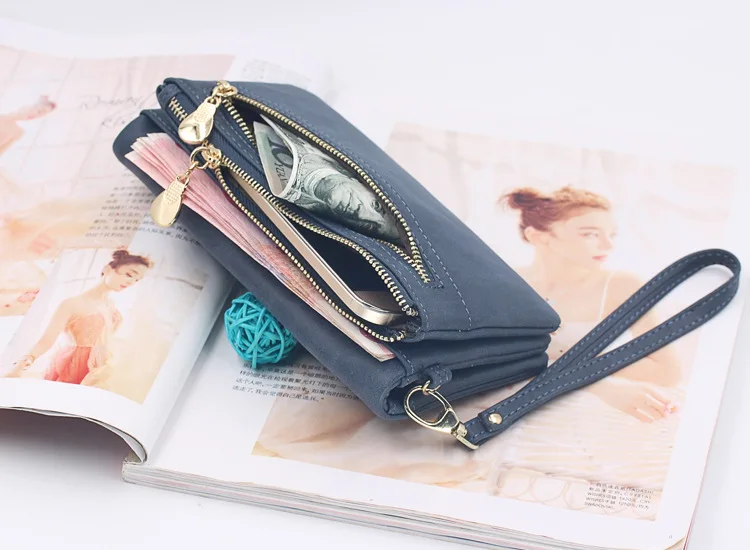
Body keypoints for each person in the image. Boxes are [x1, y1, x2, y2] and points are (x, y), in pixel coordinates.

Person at [498, 186, 681, 423]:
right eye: (591, 234)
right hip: (511, 408)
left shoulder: (621, 286)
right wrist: (596, 382)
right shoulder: (506, 283)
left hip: (585, 415)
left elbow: (668, 372)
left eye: (611, 235)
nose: (608, 246)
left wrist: (569, 365)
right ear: (538, 236)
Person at [3, 249, 152, 385]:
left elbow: (107, 340)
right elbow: (46, 340)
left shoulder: (112, 306)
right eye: (129, 275)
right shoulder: (71, 304)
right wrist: (20, 366)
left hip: (98, 368)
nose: (131, 282)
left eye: (136, 280)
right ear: (108, 269)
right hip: (73, 364)